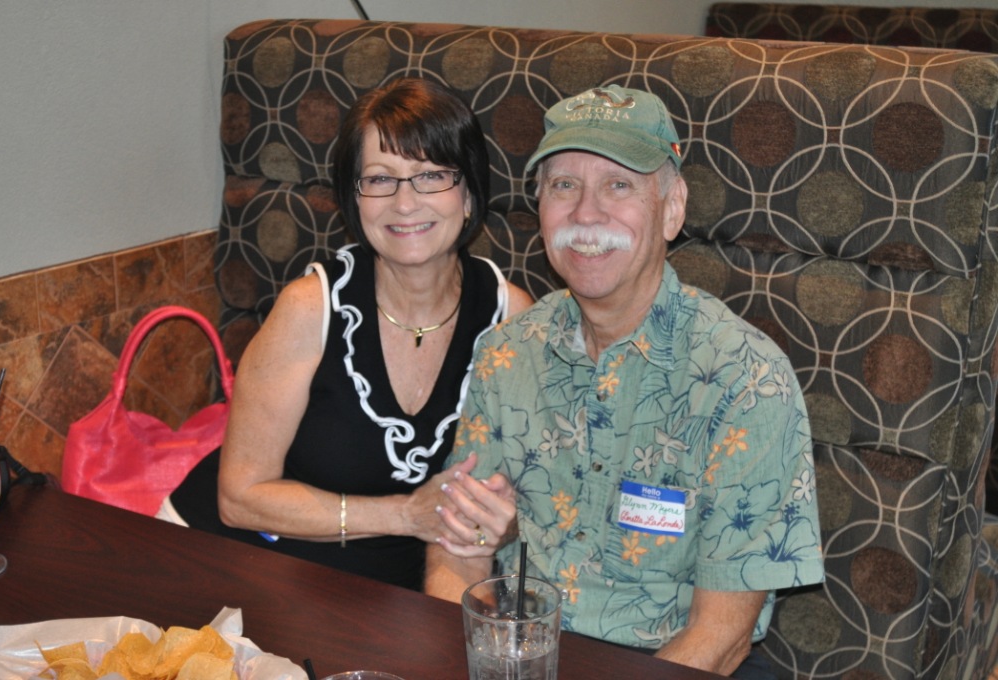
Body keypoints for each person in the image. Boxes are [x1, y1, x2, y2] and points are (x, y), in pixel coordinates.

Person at [424, 85, 824, 677]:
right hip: (524, 651)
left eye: (619, 185)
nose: (586, 214)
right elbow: (458, 549)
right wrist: (455, 657)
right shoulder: (508, 354)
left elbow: (721, 637)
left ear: (671, 208)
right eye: (564, 186)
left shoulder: (745, 380)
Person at [161, 77, 532, 591]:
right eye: (380, 179)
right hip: (230, 558)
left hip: (382, 594)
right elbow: (240, 497)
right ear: (354, 199)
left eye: (431, 175)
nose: (405, 203)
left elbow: (517, 492)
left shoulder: (510, 317)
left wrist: (503, 522)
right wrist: (404, 515)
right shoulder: (309, 308)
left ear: (469, 193)